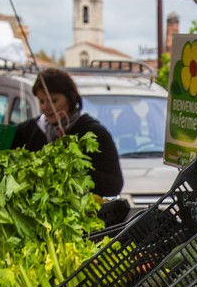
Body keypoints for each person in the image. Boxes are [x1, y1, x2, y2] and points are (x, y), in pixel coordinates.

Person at [10, 68, 124, 198]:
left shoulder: (93, 133)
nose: (46, 107)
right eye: (41, 101)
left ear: (70, 98)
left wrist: (73, 171)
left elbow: (115, 185)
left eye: (53, 101)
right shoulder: (27, 131)